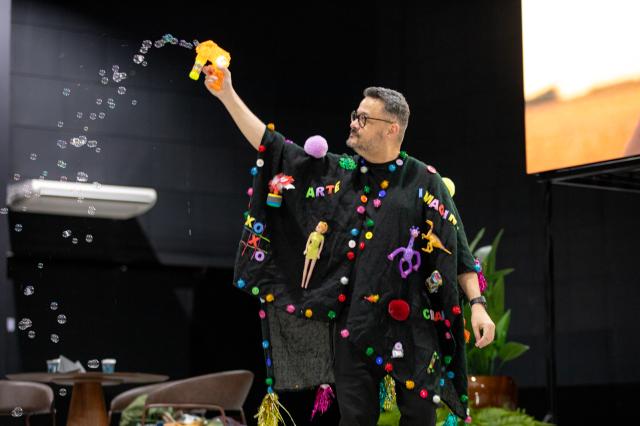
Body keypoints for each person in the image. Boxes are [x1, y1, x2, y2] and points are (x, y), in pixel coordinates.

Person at [203, 64, 495, 426]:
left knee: (421, 417)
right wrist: (227, 94)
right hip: (354, 325)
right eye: (355, 115)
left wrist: (478, 306)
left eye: (363, 118)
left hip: (413, 326)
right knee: (355, 419)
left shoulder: (425, 181)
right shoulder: (339, 172)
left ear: (391, 128)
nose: (354, 123)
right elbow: (274, 147)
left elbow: (459, 253)